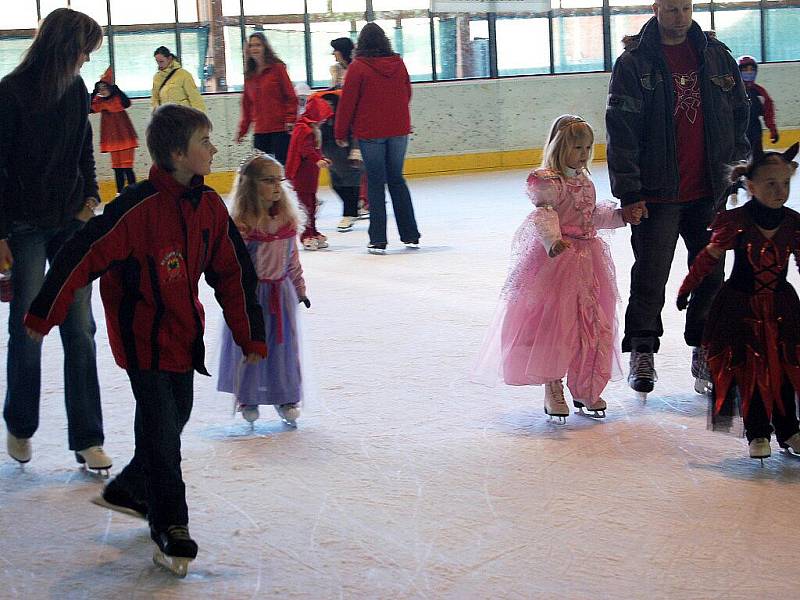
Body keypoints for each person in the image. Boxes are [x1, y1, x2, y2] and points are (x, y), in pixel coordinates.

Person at [22, 104, 267, 576]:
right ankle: (172, 526)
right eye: (204, 142)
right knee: (162, 433)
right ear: (178, 154)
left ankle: (130, 489)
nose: (213, 149)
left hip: (182, 335)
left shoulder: (209, 208)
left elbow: (235, 275)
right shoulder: (136, 209)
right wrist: (43, 312)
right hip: (142, 341)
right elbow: (81, 252)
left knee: (174, 419)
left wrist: (250, 333)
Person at [605, 0, 750, 399]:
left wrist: (737, 169)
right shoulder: (634, 62)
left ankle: (705, 349)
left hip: (710, 191)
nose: (679, 16)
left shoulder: (718, 56)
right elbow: (621, 129)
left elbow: (741, 113)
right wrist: (629, 191)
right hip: (656, 193)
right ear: (656, 9)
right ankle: (642, 351)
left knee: (711, 276)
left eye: (685, 8)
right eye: (671, 8)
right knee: (650, 277)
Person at [473, 116, 639, 422]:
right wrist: (552, 242)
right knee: (557, 325)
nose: (584, 154)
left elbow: (591, 218)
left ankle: (586, 387)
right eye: (577, 147)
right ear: (560, 146)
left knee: (592, 323)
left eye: (588, 147)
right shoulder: (547, 181)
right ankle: (553, 387)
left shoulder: (585, 181)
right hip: (557, 263)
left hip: (589, 261)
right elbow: (544, 216)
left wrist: (622, 216)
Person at [0, 8, 110, 471]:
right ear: (67, 47)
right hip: (23, 225)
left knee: (80, 329)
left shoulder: (76, 90)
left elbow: (83, 145)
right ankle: (20, 423)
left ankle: (87, 437)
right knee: (28, 328)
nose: (87, 60)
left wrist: (89, 194)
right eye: (85, 50)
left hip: (69, 223)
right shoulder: (10, 94)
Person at [676, 144, 800, 462]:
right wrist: (687, 287)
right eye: (770, 183)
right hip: (739, 309)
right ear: (751, 185)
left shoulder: (793, 224)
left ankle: (789, 430)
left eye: (785, 183)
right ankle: (758, 432)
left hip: (781, 309)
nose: (779, 190)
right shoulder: (736, 221)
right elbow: (708, 258)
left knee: (786, 369)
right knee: (750, 370)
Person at [217, 154, 310, 426]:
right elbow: (232, 265)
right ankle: (248, 396)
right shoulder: (242, 224)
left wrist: (300, 289)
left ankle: (287, 396)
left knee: (283, 348)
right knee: (251, 346)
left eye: (279, 180)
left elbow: (292, 259)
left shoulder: (286, 220)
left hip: (280, 296)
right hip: (251, 297)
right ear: (251, 186)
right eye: (268, 181)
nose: (276, 187)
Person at [335, 22, 420, 255]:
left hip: (370, 132)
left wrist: (340, 133)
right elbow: (407, 93)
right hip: (398, 130)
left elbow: (347, 104)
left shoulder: (358, 68)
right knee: (396, 180)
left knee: (375, 182)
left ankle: (378, 239)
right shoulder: (398, 63)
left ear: (361, 43)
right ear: (385, 41)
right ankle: (410, 234)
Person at [236, 33, 297, 166]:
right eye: (251, 45)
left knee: (281, 167)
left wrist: (290, 118)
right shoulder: (249, 76)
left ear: (265, 47)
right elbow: (247, 106)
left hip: (280, 129)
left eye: (258, 45)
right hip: (260, 131)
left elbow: (291, 96)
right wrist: (243, 130)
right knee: (261, 169)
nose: (254, 48)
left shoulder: (278, 69)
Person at [728, 55, 780, 204]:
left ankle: (755, 188)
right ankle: (733, 189)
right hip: (736, 131)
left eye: (752, 69)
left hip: (754, 131)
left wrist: (773, 129)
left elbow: (768, 111)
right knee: (736, 159)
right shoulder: (733, 91)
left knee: (755, 161)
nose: (748, 72)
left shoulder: (760, 92)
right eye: (745, 69)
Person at [286, 95, 333, 250]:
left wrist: (322, 158)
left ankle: (312, 230)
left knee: (311, 204)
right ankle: (306, 234)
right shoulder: (303, 129)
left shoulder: (311, 129)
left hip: (310, 174)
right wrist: (317, 160)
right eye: (323, 117)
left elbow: (313, 150)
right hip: (301, 174)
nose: (324, 121)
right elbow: (305, 149)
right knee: (305, 206)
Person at [317, 90, 364, 232]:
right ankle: (354, 206)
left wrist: (355, 152)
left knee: (350, 186)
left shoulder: (346, 119)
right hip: (333, 162)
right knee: (336, 186)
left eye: (330, 104)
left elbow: (356, 135)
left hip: (348, 160)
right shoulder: (323, 122)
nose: (327, 107)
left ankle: (349, 214)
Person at [90, 67, 138, 195]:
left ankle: (134, 194)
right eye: (100, 89)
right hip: (112, 139)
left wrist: (116, 91)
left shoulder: (116, 100)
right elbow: (90, 108)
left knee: (127, 168)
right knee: (117, 168)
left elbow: (125, 103)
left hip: (125, 137)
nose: (102, 91)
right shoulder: (100, 102)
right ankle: (119, 194)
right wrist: (94, 93)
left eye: (104, 88)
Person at [151, 46, 206, 113]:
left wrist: (200, 116)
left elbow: (195, 97)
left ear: (169, 59)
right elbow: (155, 98)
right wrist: (156, 110)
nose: (159, 64)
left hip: (183, 116)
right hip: (166, 117)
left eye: (161, 61)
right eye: (157, 62)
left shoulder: (183, 75)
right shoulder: (157, 77)